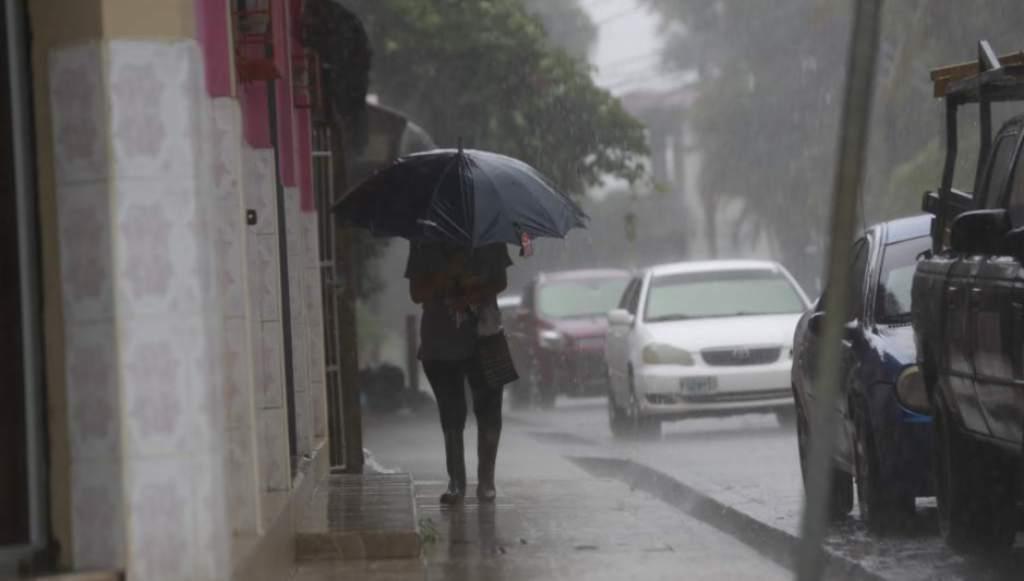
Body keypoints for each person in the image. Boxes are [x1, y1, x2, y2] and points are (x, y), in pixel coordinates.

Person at [406, 240, 513, 504]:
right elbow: (417, 292)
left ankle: (486, 481)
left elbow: (500, 281)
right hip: (441, 339)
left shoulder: (489, 232)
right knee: (451, 412)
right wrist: (447, 274)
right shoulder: (425, 239)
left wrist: (472, 293)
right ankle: (456, 481)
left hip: (485, 334)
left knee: (489, 410)